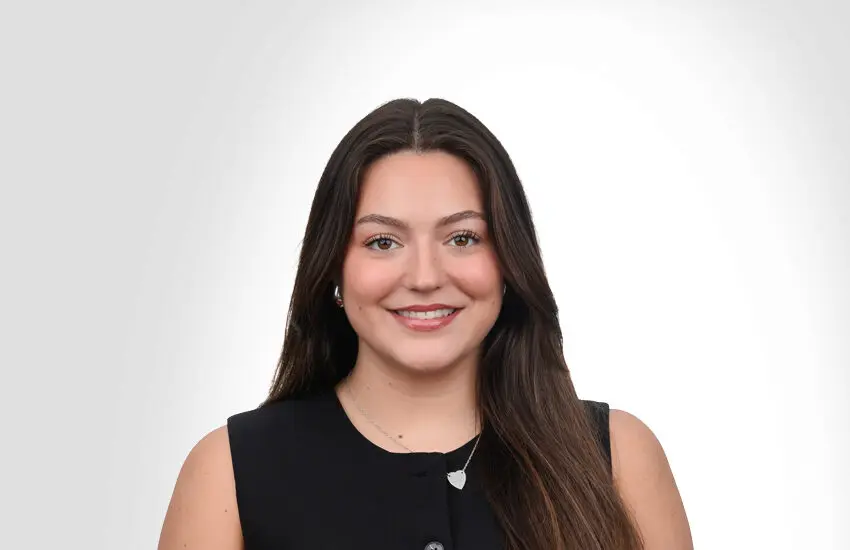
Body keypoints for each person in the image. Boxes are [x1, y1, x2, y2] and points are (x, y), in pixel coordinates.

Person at [157, 98, 693, 550]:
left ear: (509, 262)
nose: (424, 277)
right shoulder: (229, 473)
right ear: (334, 268)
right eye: (382, 242)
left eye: (462, 238)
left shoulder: (618, 458)